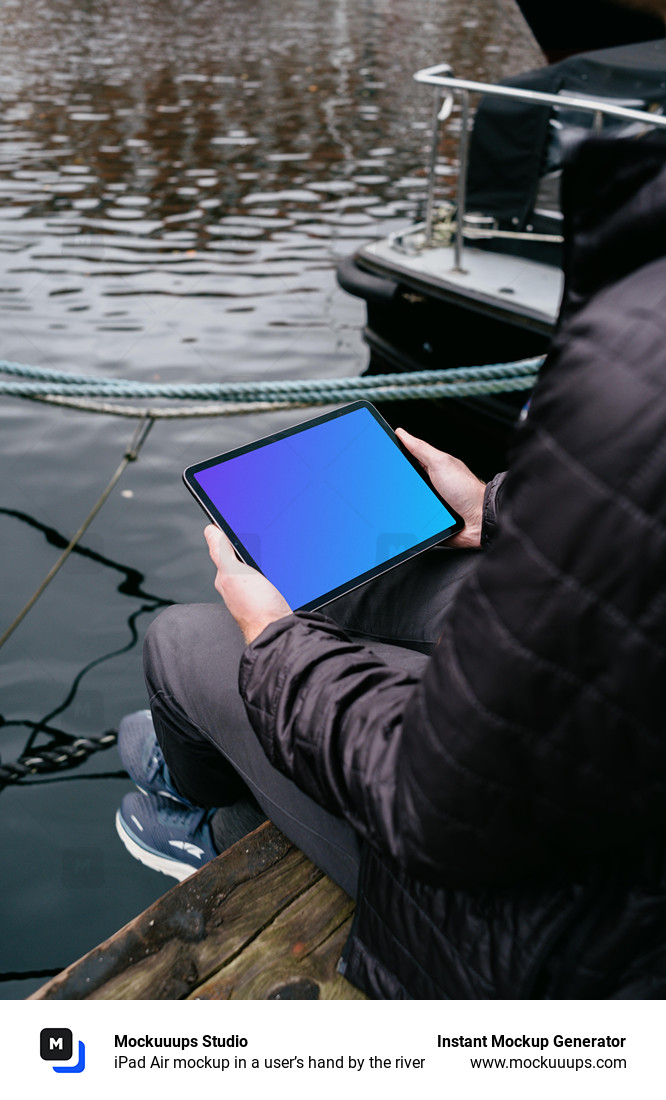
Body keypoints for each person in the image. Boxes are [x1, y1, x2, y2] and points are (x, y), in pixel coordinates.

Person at [116, 132, 666, 998]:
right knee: (374, 568)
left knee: (185, 637)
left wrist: (275, 644)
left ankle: (200, 812)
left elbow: (443, 803)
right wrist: (497, 510)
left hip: (553, 949)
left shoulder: (645, 339)